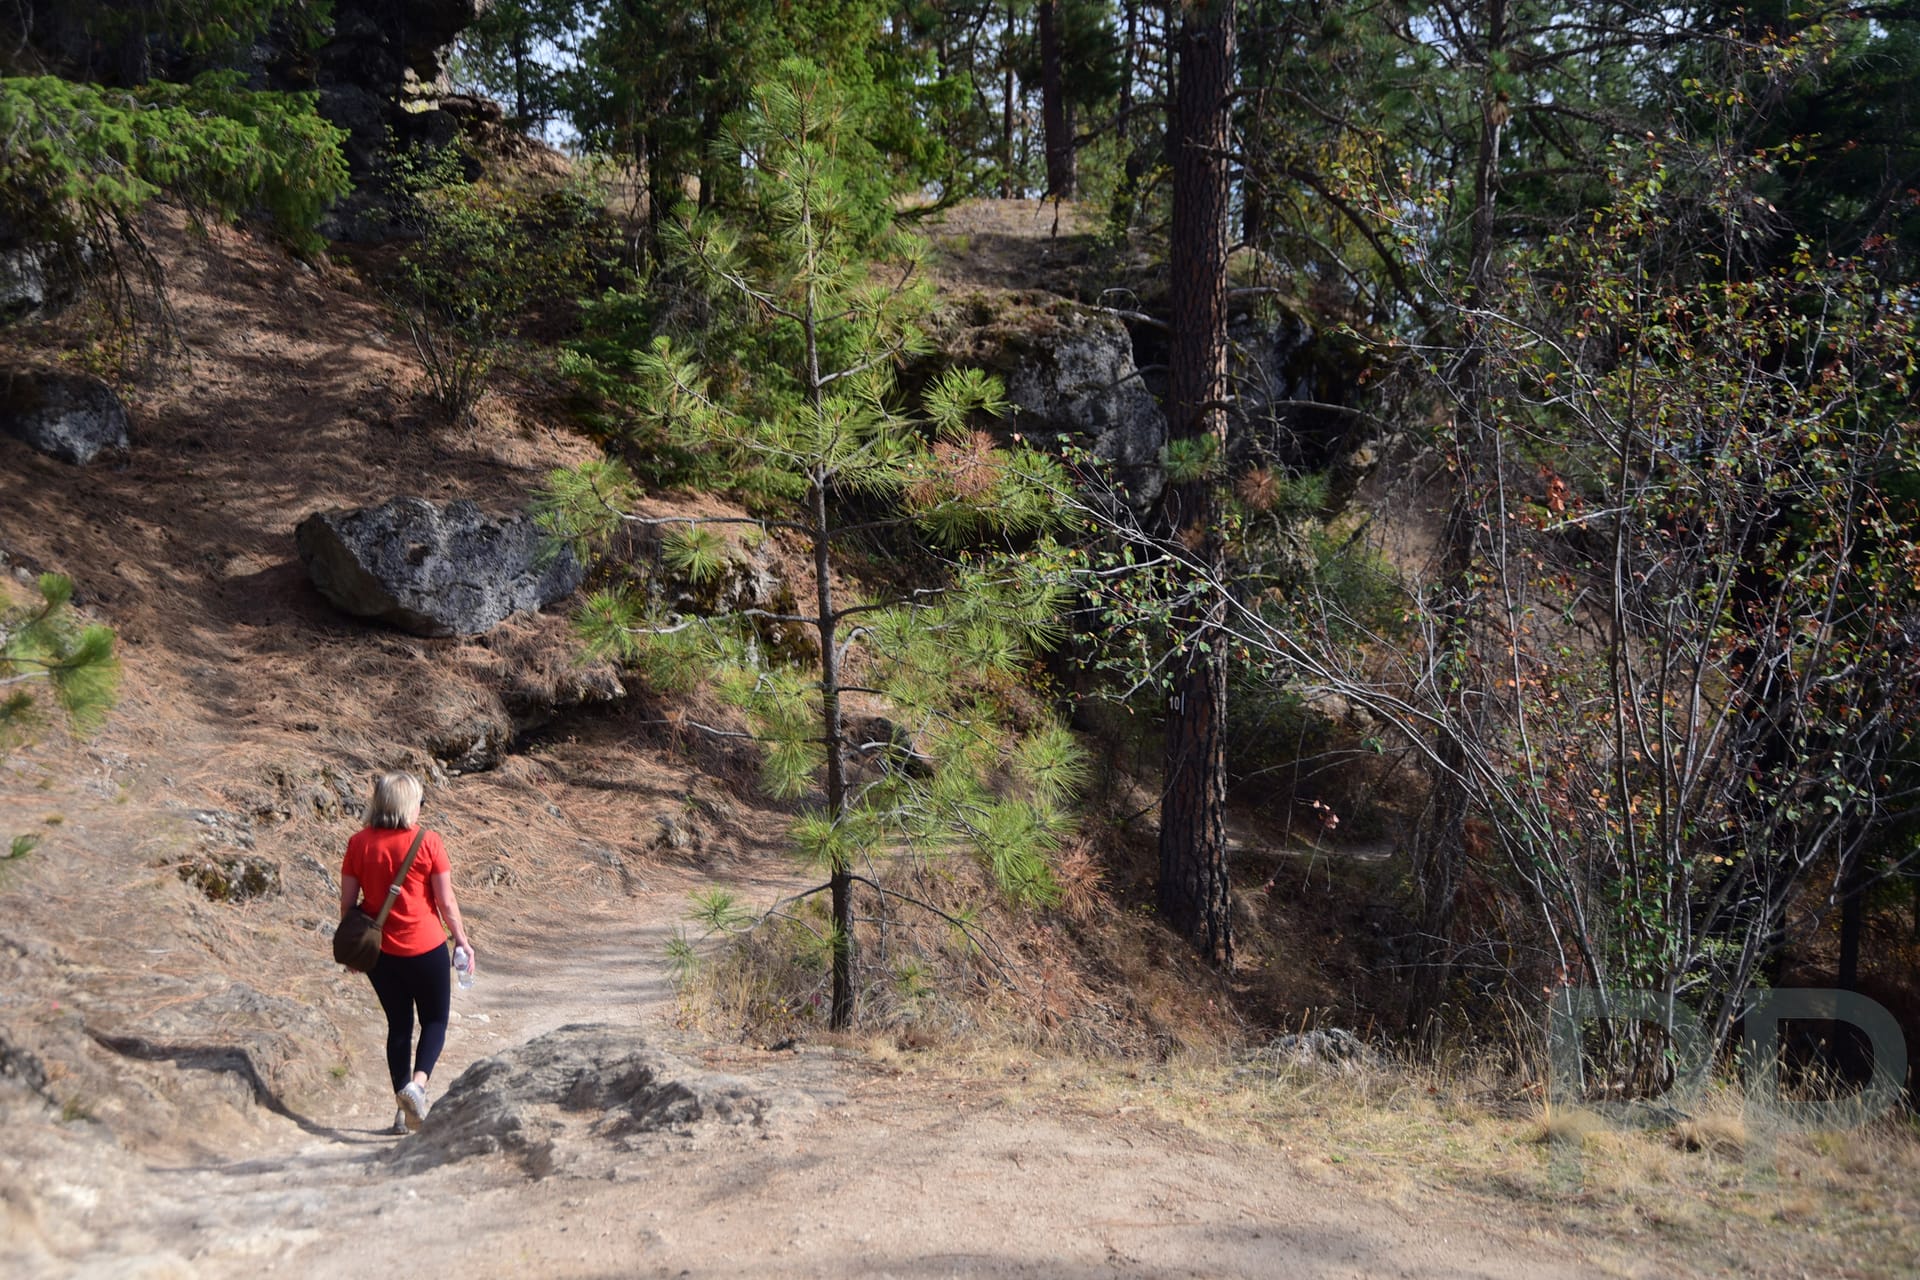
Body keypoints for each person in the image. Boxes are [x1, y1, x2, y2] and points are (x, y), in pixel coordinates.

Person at [339, 770, 474, 1134]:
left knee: (398, 1024)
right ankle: (418, 1086)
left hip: (380, 953)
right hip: (425, 946)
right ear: (409, 804)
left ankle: (401, 1110)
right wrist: (462, 940)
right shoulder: (428, 842)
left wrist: (355, 951)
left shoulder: (358, 843)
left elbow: (348, 906)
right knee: (434, 1020)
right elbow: (446, 901)